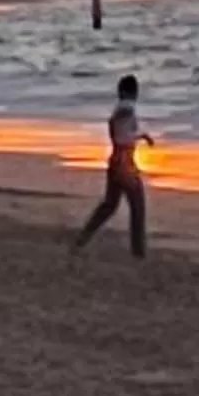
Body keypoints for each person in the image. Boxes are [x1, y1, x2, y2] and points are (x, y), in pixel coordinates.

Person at [70, 73, 155, 261]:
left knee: (109, 205)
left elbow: (120, 132)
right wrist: (142, 136)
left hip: (116, 162)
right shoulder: (126, 109)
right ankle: (138, 252)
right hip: (125, 163)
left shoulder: (120, 111)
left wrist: (141, 136)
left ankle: (83, 238)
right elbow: (123, 135)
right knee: (137, 206)